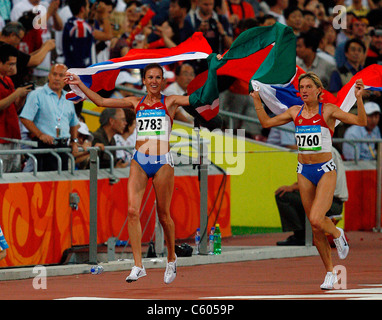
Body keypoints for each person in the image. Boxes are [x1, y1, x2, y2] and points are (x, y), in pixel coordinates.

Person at [65, 62, 199, 284]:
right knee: (132, 211)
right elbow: (100, 101)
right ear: (144, 81)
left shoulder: (171, 101)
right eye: (150, 77)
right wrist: (79, 84)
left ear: (163, 81)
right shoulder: (134, 102)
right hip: (139, 160)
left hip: (162, 161)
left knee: (164, 215)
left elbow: (197, 99)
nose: (154, 81)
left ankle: (172, 259)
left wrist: (213, 71)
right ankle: (138, 265)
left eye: (158, 77)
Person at [250, 71, 367, 290]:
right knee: (314, 228)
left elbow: (361, 121)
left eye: (308, 87)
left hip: (324, 170)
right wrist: (257, 100)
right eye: (301, 88)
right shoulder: (295, 112)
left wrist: (359, 98)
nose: (303, 91)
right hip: (304, 170)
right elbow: (266, 123)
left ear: (319, 91)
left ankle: (337, 233)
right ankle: (330, 272)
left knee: (316, 218)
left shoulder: (329, 110)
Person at [275, 147, 348, 246]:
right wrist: (295, 186)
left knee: (283, 196)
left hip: (330, 203)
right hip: (335, 202)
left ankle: (301, 236)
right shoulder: (329, 150)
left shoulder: (322, 153)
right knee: (295, 195)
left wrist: (293, 187)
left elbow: (316, 184)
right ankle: (304, 235)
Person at [19, 63, 79, 172]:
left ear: (66, 79)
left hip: (64, 146)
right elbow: (25, 118)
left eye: (61, 75)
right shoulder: (37, 94)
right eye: (54, 74)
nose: (56, 78)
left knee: (62, 184)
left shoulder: (68, 97)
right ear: (49, 76)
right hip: (44, 146)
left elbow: (74, 122)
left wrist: (74, 141)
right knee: (45, 185)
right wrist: (40, 134)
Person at [0, 43, 32, 173]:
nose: (13, 67)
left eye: (15, 64)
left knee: (14, 178)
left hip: (13, 136)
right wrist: (16, 94)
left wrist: (22, 97)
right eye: (10, 64)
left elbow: (14, 108)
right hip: (2, 139)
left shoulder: (8, 80)